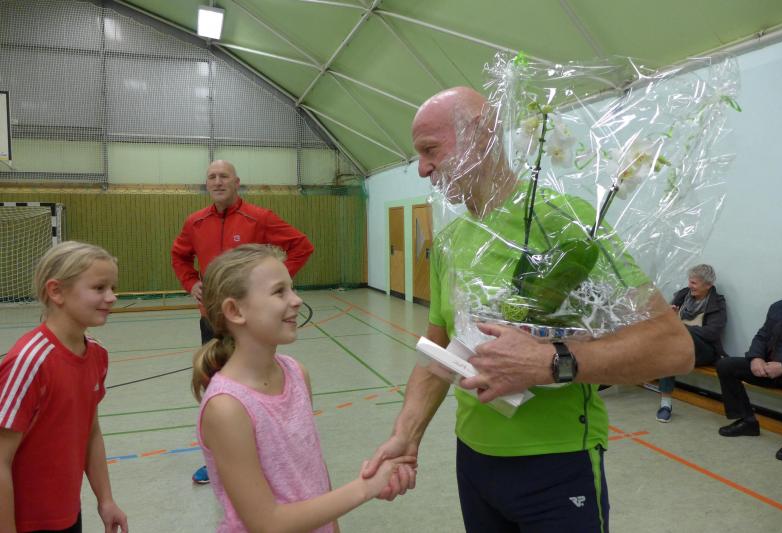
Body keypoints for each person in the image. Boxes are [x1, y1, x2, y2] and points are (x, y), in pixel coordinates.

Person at [361, 87, 694, 532]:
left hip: (557, 463)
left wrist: (550, 362)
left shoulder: (564, 223)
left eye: (430, 150)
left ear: (481, 134)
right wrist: (407, 434)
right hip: (473, 459)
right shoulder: (450, 241)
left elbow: (674, 348)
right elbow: (439, 352)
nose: (421, 168)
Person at [192, 244, 414, 531]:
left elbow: (315, 471)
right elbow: (267, 524)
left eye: (292, 289)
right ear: (235, 311)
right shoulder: (227, 408)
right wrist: (366, 487)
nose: (296, 300)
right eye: (279, 292)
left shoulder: (296, 373)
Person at [172, 159, 314, 484]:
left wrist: (272, 285)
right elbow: (179, 256)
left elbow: (301, 246)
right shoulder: (195, 222)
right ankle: (219, 458)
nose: (218, 182)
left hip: (251, 323)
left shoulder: (258, 218)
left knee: (254, 384)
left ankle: (263, 453)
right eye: (212, 177)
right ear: (206, 184)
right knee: (216, 387)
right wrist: (190, 282)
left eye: (224, 176)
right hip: (212, 319)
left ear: (237, 183)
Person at [0, 241, 128, 532]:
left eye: (113, 287)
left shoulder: (97, 354)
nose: (112, 297)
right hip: (24, 522)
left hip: (67, 514)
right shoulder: (30, 361)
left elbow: (91, 431)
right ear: (56, 291)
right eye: (99, 288)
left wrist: (105, 500)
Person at [716, 261, 782, 462]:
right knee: (726, 365)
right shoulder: (779, 307)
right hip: (769, 368)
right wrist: (755, 358)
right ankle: (747, 421)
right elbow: (762, 336)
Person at [656, 264, 727, 422]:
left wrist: (681, 328)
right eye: (689, 281)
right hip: (677, 347)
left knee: (672, 342)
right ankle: (665, 404)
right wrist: (670, 317)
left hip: (704, 351)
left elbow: (712, 333)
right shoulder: (684, 295)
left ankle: (665, 404)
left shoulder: (717, 302)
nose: (689, 285)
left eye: (694, 283)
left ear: (708, 285)